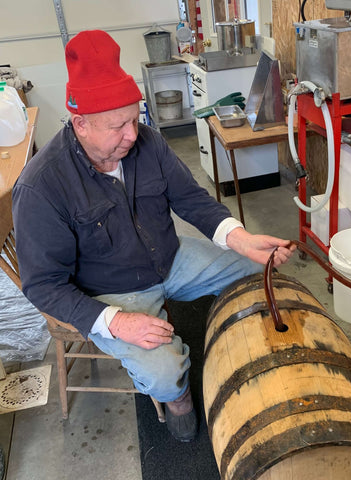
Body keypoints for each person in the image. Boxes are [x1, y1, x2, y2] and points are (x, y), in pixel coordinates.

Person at [12, 30, 295, 442]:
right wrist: (116, 321)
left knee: (259, 267)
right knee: (164, 375)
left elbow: (191, 199)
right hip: (111, 290)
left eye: (135, 117)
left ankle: (241, 343)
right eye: (118, 126)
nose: (133, 134)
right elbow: (42, 286)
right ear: (81, 124)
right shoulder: (42, 186)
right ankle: (178, 397)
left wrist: (240, 238)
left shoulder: (146, 142)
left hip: (171, 257)